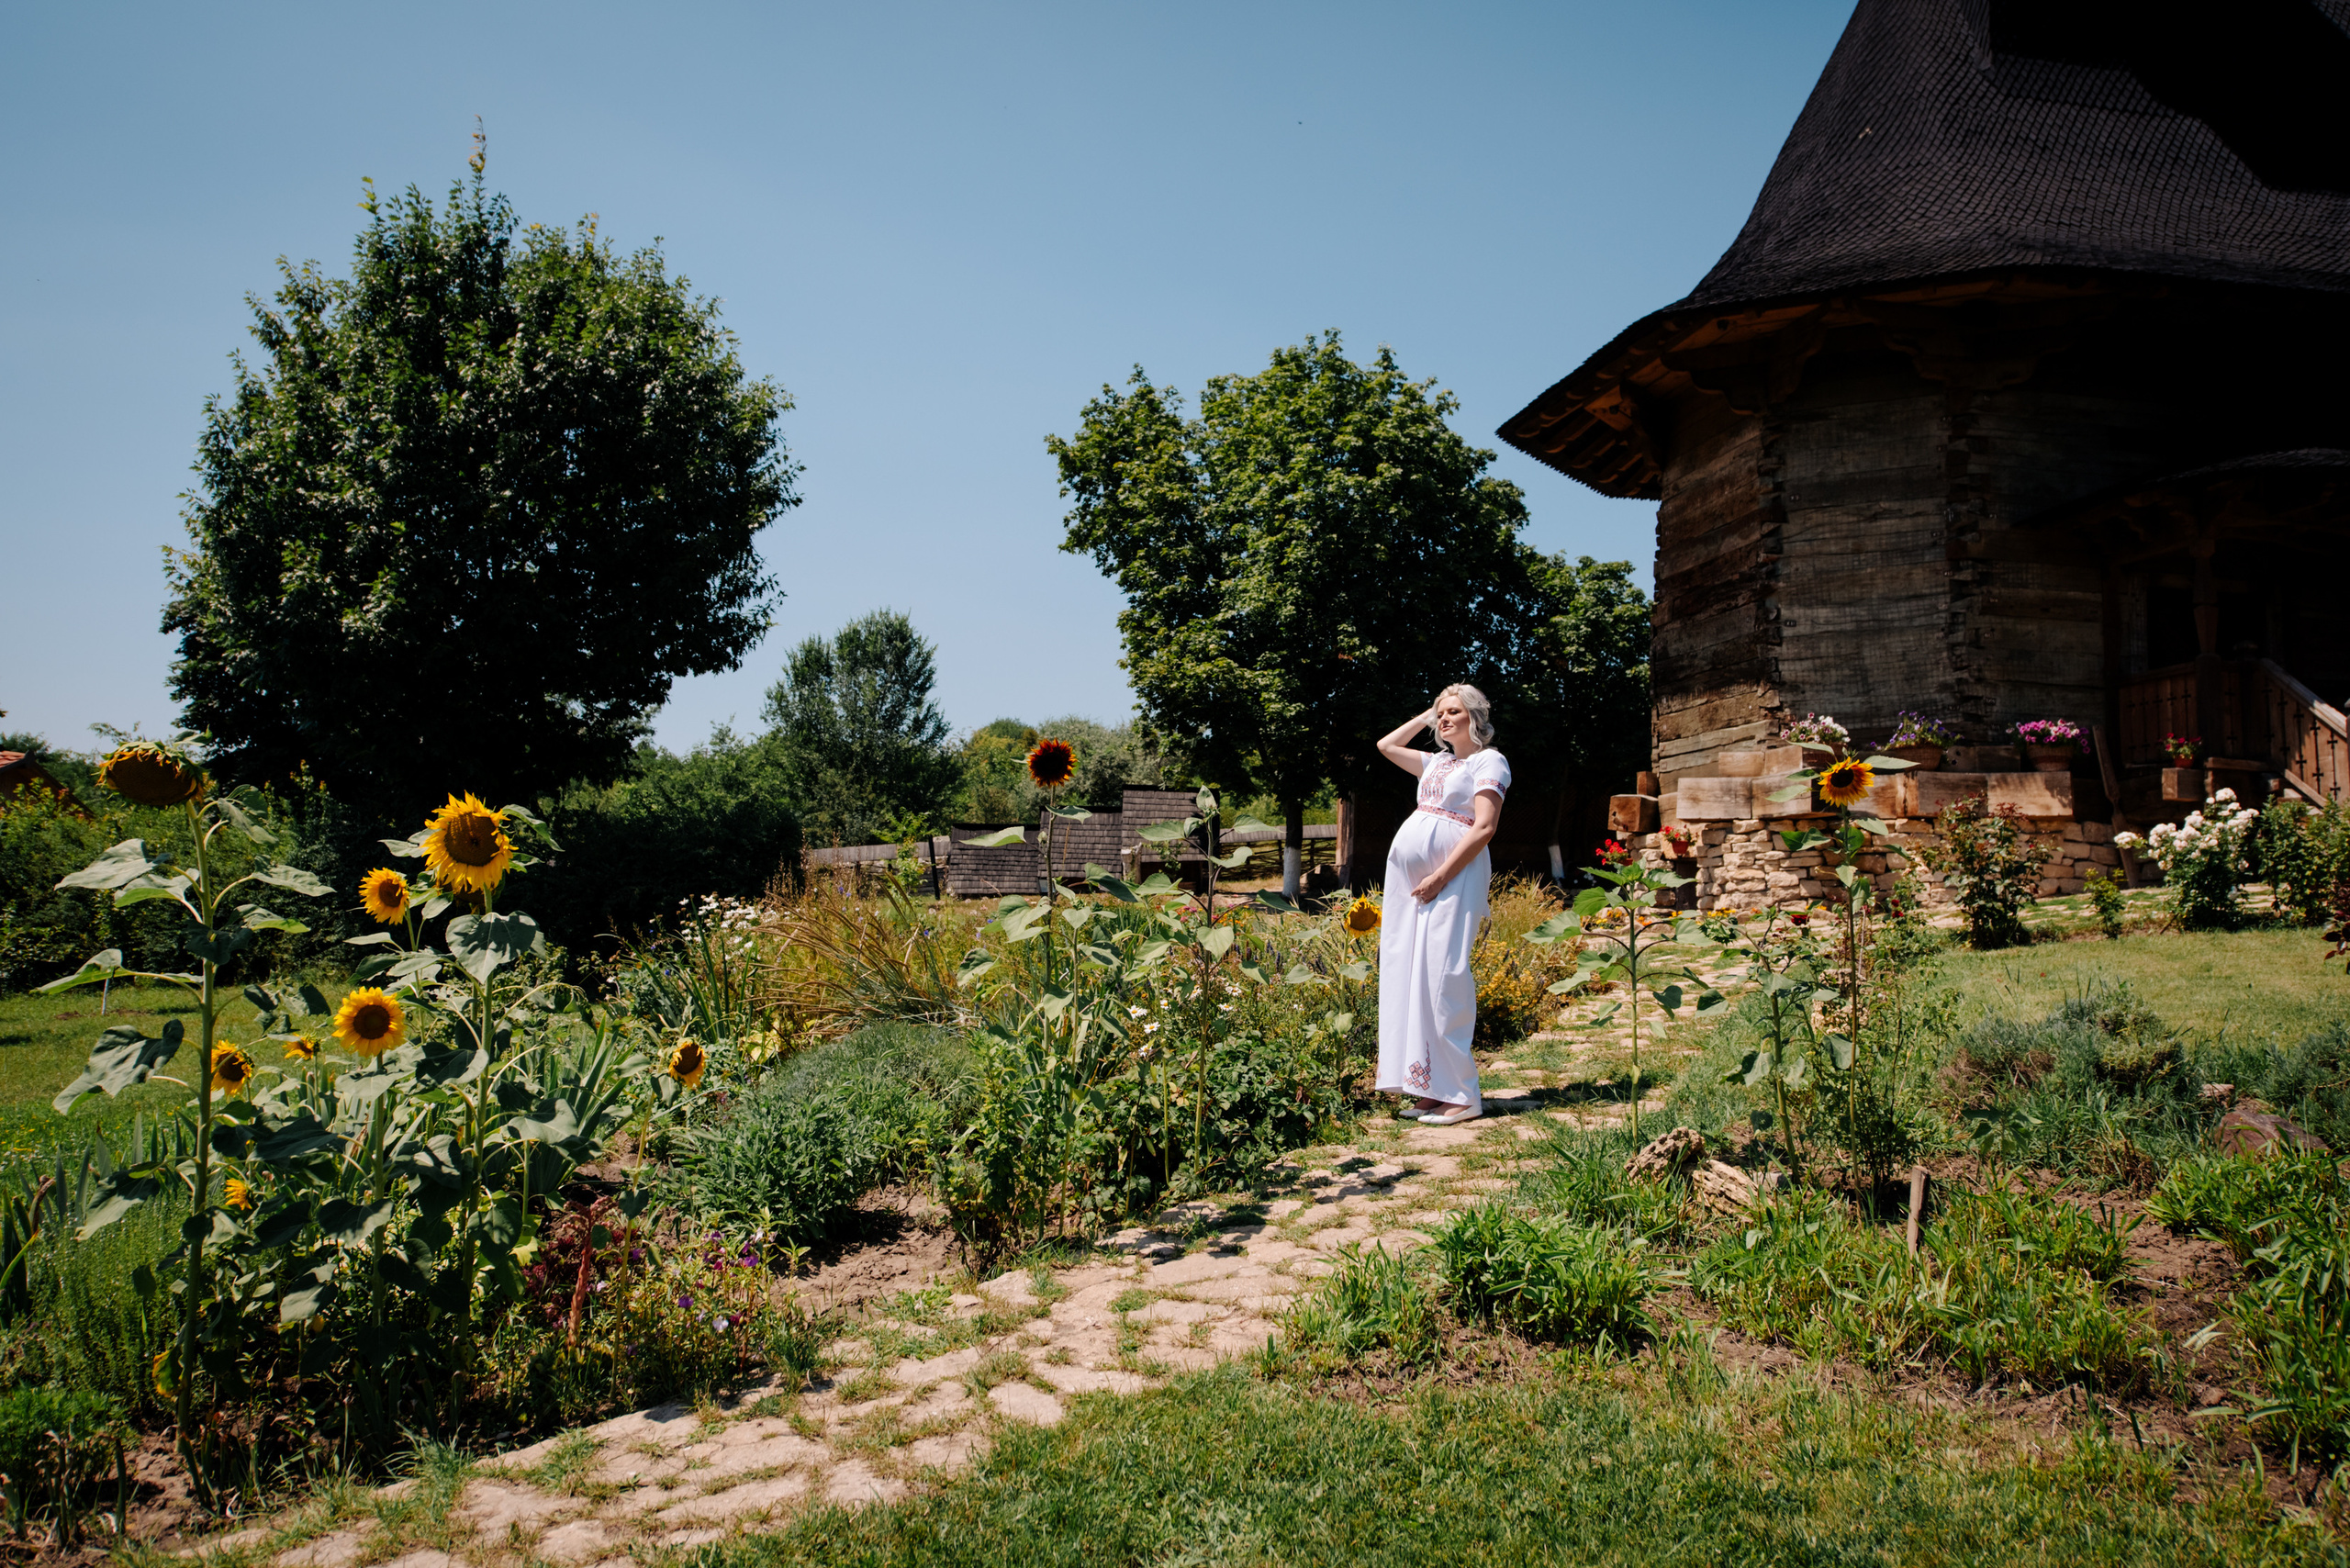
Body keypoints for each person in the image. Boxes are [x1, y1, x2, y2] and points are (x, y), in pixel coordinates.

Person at [1371, 684, 1509, 1126]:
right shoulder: (1437, 762)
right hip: (1412, 884)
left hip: (1454, 876)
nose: (1445, 719)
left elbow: (1485, 827)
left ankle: (1464, 1094)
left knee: (1443, 977)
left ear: (1475, 717)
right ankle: (1430, 1087)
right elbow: (1386, 745)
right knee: (1409, 972)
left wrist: (1439, 876)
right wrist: (1427, 715)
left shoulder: (1490, 761)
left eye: (1454, 712)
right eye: (1441, 713)